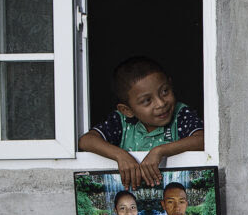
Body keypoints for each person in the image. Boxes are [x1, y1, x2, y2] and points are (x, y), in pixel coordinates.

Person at [78, 56, 207, 188]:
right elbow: (86, 141)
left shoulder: (180, 114)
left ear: (170, 84)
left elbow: (203, 140)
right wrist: (120, 155)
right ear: (127, 110)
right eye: (147, 101)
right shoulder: (121, 122)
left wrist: (160, 151)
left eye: (164, 91)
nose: (161, 103)